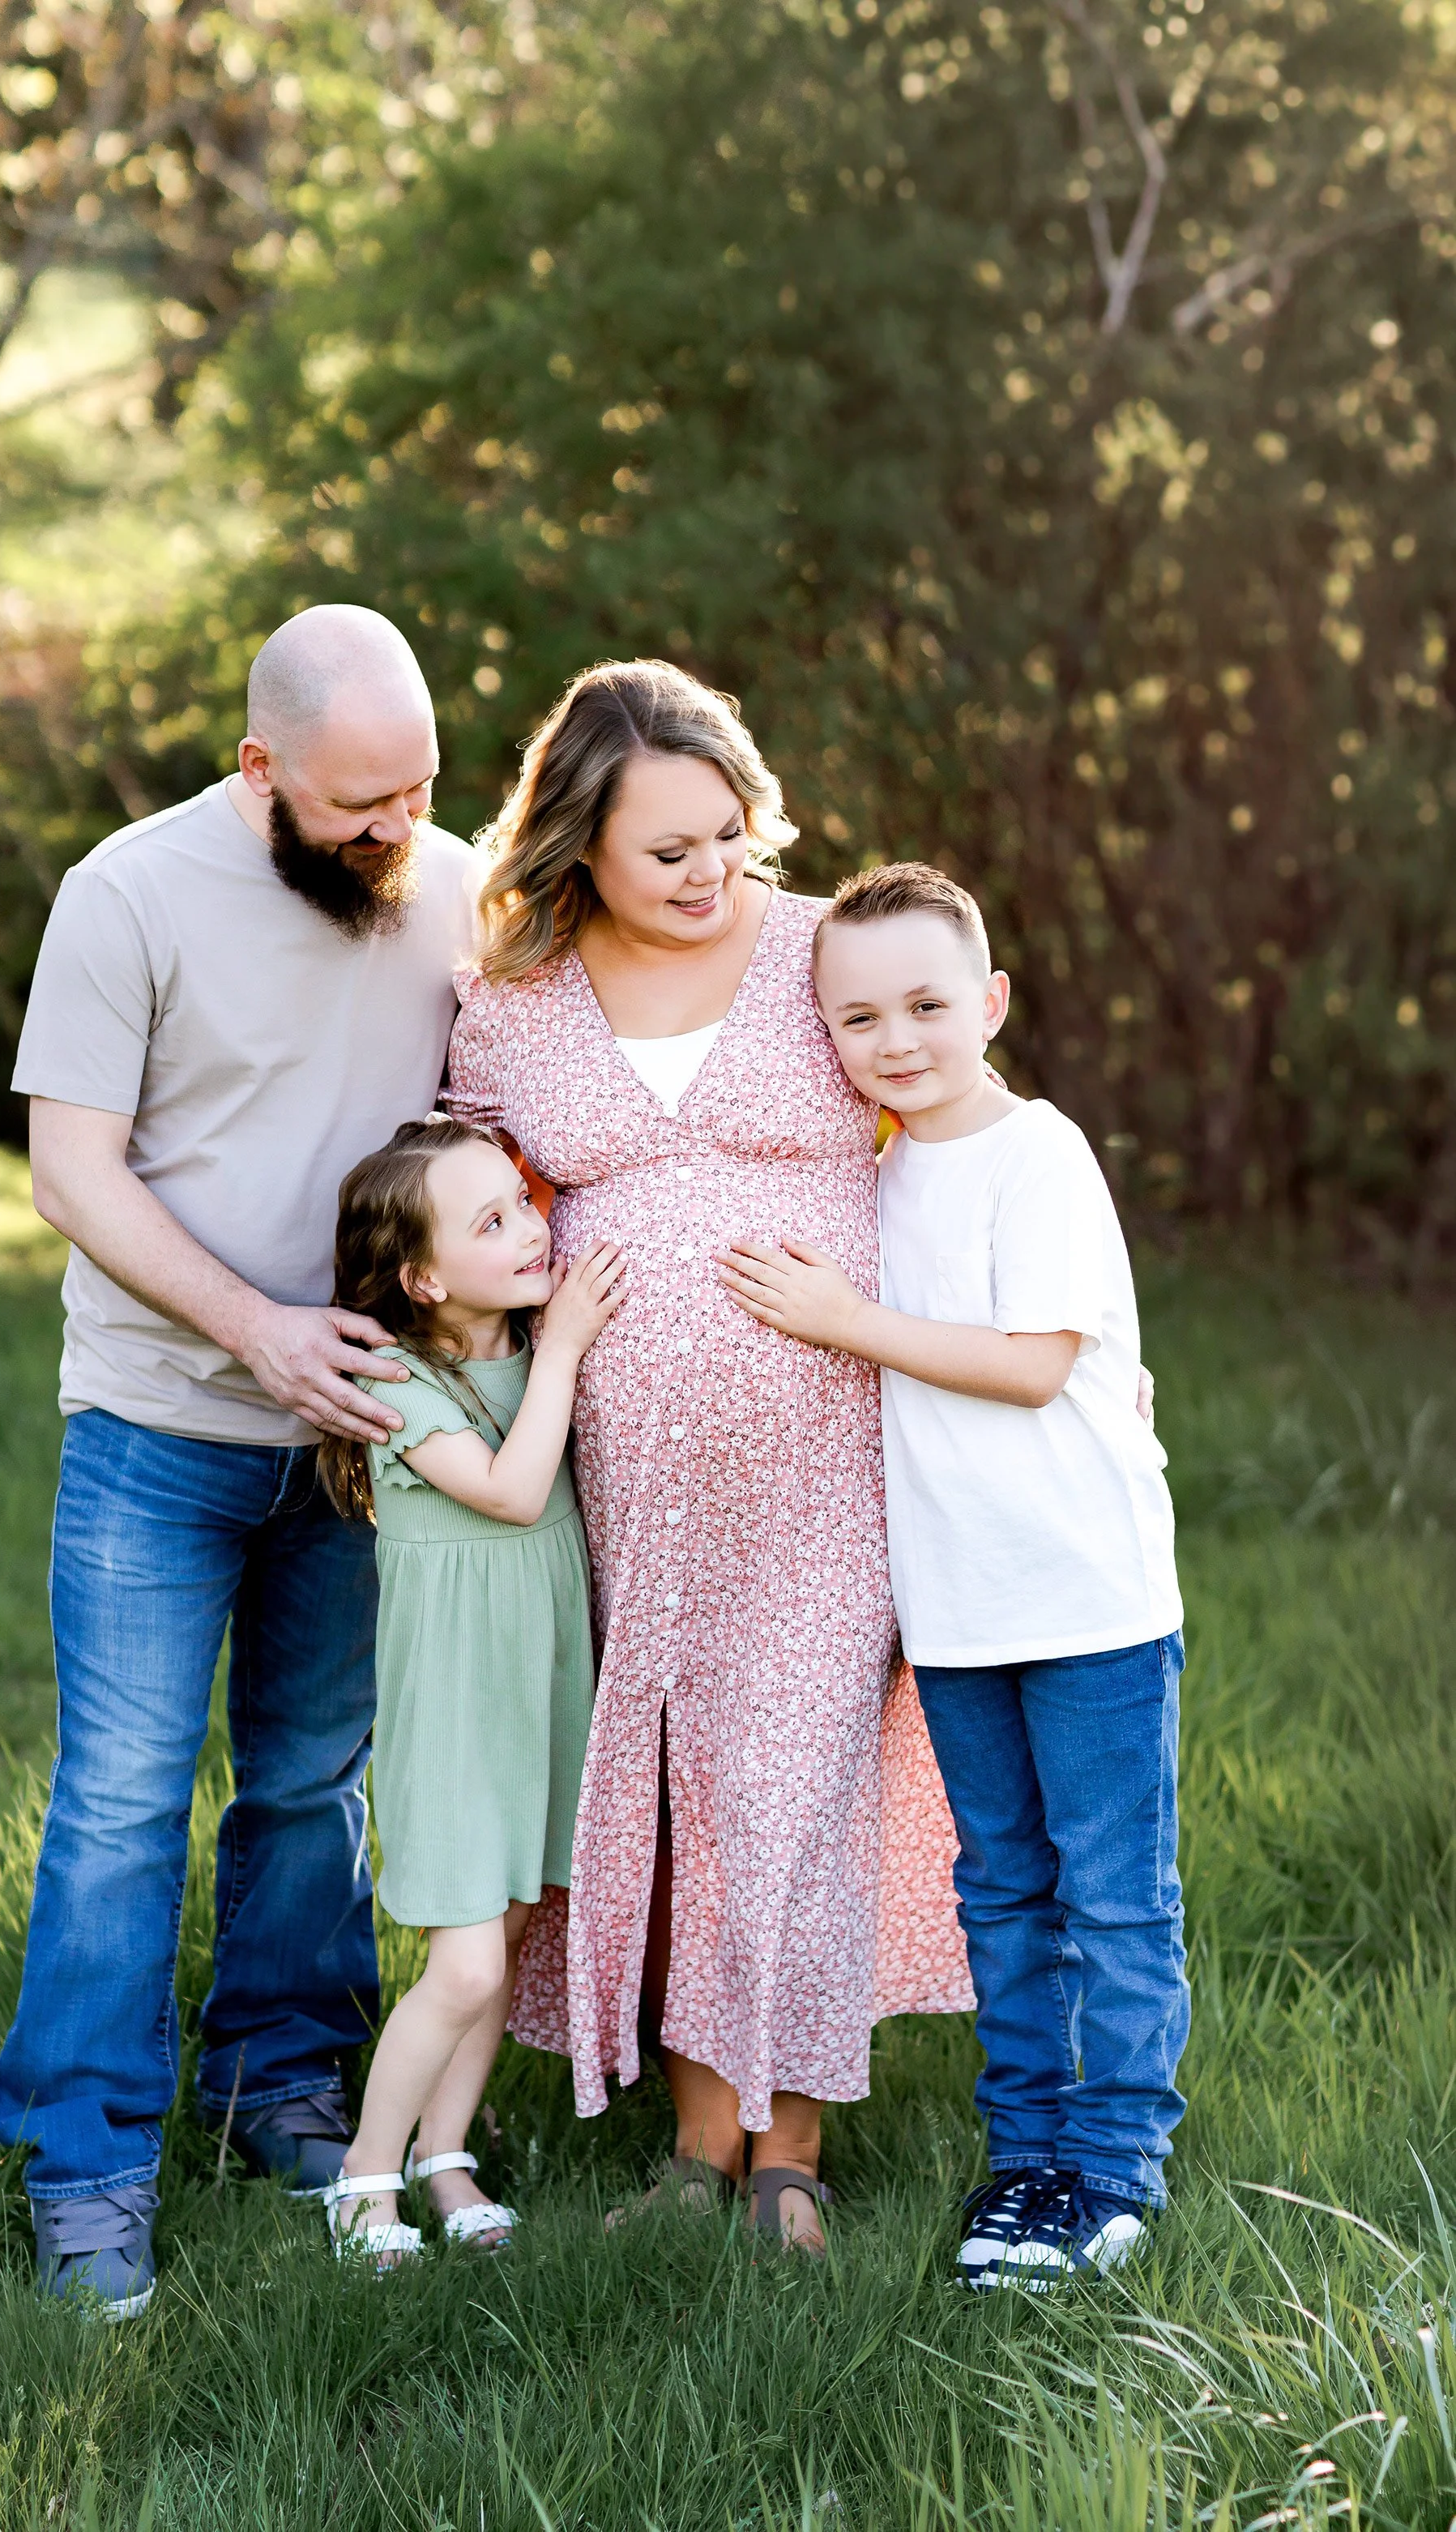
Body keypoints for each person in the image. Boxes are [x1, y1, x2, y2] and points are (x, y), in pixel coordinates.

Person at [0, 606, 481, 2318]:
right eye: (357, 802)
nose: (395, 830)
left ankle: (280, 2084)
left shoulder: (451, 888)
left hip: (360, 1441)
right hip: (159, 1425)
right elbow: (72, 1172)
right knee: (121, 1802)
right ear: (259, 765)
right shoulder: (127, 892)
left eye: (419, 789)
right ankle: (86, 2166)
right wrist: (258, 1330)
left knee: (313, 1778)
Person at [447, 661, 972, 2260]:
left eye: (727, 834)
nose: (707, 872)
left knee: (798, 1782)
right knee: (670, 1789)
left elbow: (967, 1115)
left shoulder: (825, 951)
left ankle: (789, 2151)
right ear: (579, 846)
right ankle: (695, 2145)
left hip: (830, 1456)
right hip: (621, 1481)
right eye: (666, 849)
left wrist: (1062, 1330)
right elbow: (463, 1204)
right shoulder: (514, 998)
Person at [717, 859, 1189, 2290]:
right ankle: (1027, 2156)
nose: (897, 1039)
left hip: (1087, 1598)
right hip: (961, 1610)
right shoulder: (873, 1175)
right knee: (1002, 1891)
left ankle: (1115, 2169)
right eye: (859, 1018)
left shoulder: (1037, 1154)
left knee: (1112, 1896)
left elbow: (1035, 1366)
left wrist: (840, 1319)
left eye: (926, 1005)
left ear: (990, 1001)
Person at [314, 1117, 625, 2264]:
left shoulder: (523, 1348)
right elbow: (510, 1490)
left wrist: (557, 1346)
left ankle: (445, 2156)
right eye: (490, 1223)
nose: (531, 1230)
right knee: (467, 1964)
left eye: (523, 1204)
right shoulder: (398, 1383)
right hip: (454, 1711)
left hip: (536, 1694)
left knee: (511, 1928)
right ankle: (364, 2177)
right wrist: (567, 1349)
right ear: (423, 1280)